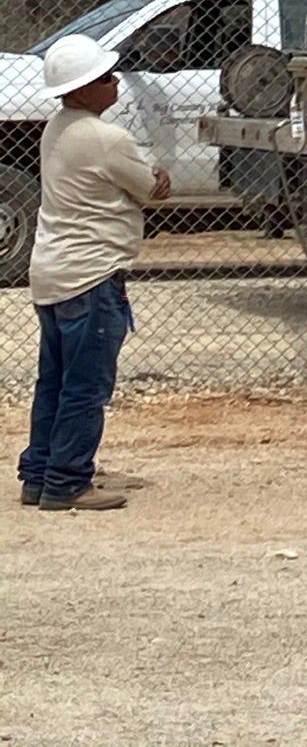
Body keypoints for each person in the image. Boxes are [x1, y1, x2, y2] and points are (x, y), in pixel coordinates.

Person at [17, 34, 169, 512]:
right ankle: (67, 481)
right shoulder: (107, 139)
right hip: (93, 273)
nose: (115, 80)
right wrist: (158, 181)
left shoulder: (57, 127)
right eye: (105, 77)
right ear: (83, 89)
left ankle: (39, 474)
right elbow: (150, 189)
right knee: (86, 386)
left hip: (53, 272)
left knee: (55, 381)